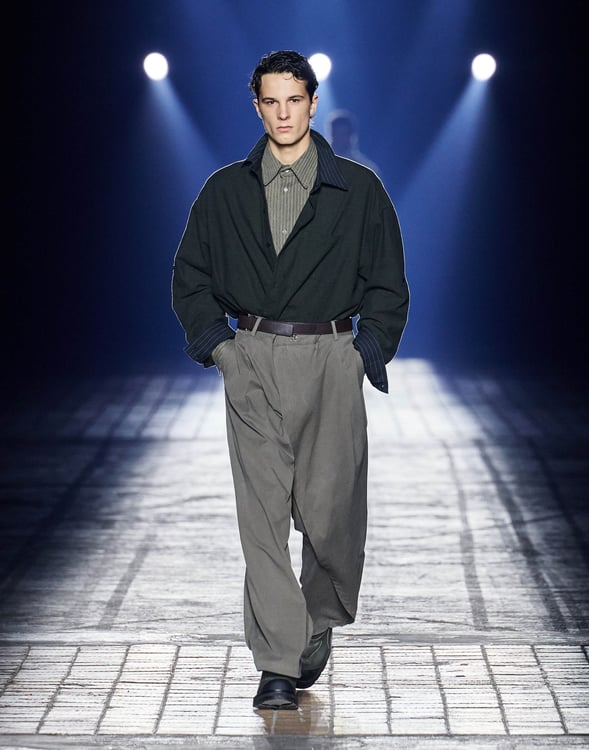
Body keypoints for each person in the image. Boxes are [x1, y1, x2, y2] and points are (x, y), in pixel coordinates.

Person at [171, 50, 409, 711]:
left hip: (331, 357)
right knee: (262, 519)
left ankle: (317, 618)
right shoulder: (224, 191)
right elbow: (190, 275)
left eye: (294, 100)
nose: (283, 114)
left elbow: (388, 281)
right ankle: (278, 662)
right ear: (257, 106)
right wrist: (221, 348)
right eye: (271, 102)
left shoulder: (358, 190)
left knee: (331, 517)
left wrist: (364, 352)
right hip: (252, 355)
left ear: (311, 102)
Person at [326, 108, 381, 175]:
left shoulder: (366, 169)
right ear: (331, 135)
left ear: (351, 136)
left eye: (343, 134)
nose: (340, 139)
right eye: (337, 134)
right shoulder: (320, 163)